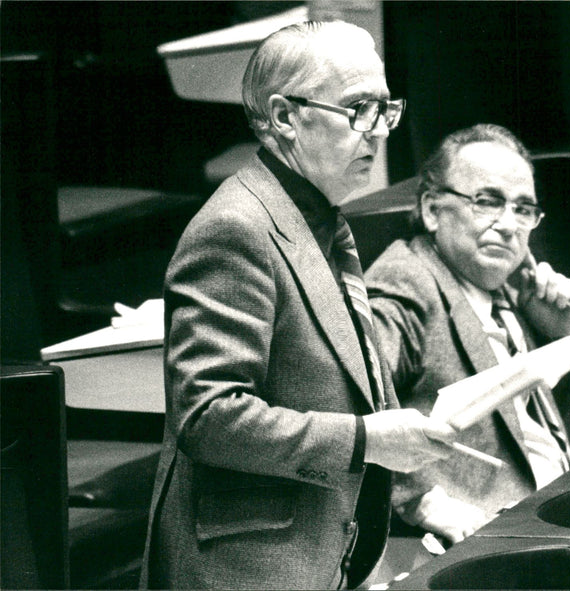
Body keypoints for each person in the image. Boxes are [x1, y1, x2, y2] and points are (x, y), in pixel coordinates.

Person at [140, 21, 456, 590]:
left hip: (317, 556)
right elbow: (208, 416)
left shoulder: (318, 217)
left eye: (385, 110)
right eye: (358, 109)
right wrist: (366, 440)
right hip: (243, 570)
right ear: (285, 117)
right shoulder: (235, 228)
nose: (378, 133)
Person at [365, 123, 570, 546]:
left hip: (559, 512)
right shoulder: (406, 281)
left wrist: (559, 336)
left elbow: (521, 427)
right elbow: (350, 403)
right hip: (495, 540)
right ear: (432, 210)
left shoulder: (507, 287)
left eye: (524, 209)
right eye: (487, 202)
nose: (508, 225)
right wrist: (419, 500)